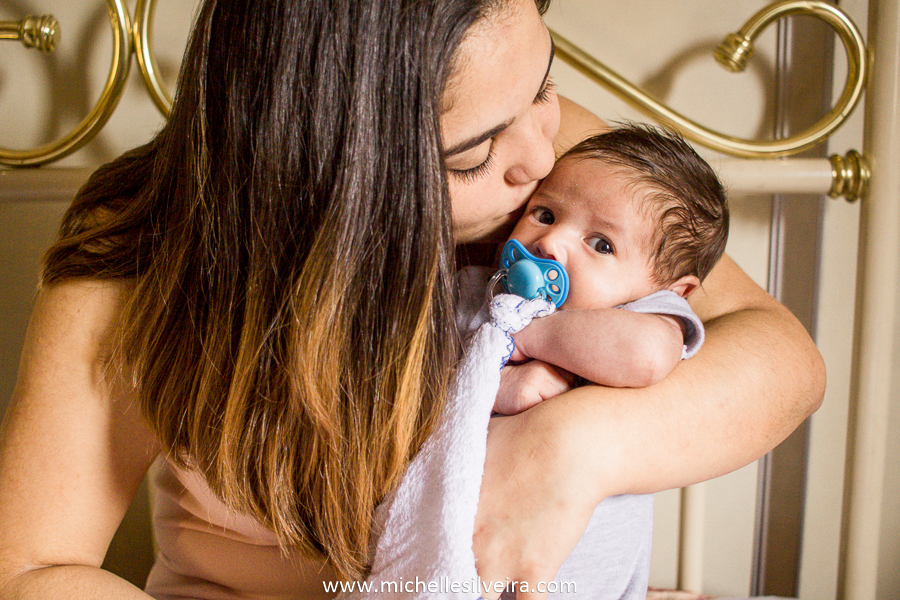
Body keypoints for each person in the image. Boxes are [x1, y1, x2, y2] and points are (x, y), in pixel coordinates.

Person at [0, 2, 824, 600]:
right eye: (472, 156)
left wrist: (569, 448)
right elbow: (30, 567)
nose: (540, 157)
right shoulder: (138, 253)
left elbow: (780, 358)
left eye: (546, 85)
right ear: (333, 168)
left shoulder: (553, 163)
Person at [478, 123, 728, 416]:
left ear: (670, 289)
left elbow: (647, 355)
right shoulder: (478, 287)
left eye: (601, 245)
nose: (550, 242)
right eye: (546, 215)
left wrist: (528, 335)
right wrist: (491, 384)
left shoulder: (644, 313)